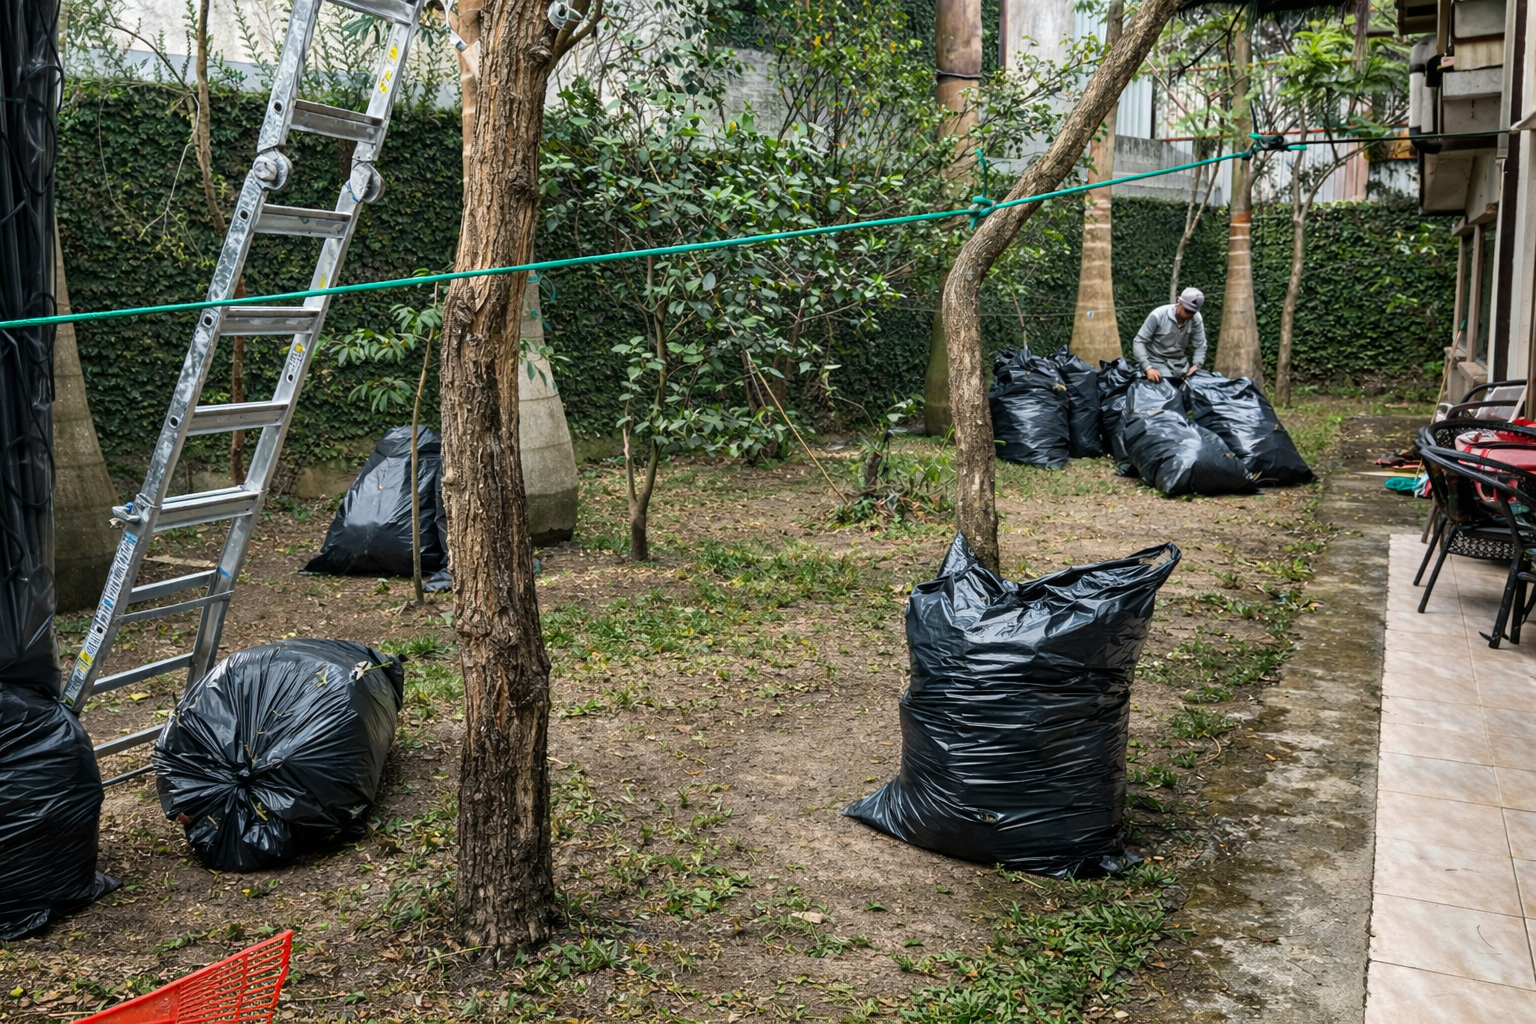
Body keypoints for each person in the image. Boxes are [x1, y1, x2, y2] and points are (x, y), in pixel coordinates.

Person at [1132, 287, 1207, 382]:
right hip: (1156, 363)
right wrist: (1148, 368)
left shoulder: (1196, 319)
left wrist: (1196, 365)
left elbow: (1200, 345)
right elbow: (1139, 341)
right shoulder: (1158, 315)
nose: (1189, 315)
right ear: (1178, 303)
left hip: (1181, 365)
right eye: (1187, 311)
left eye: (1192, 312)